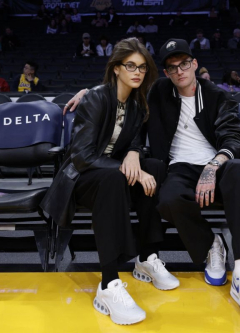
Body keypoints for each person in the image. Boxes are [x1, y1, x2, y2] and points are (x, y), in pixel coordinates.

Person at [65, 38, 240, 320]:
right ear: (165, 72)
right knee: (167, 197)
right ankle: (211, 243)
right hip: (179, 168)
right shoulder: (159, 92)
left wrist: (213, 166)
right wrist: (89, 92)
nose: (179, 71)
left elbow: (234, 138)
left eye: (184, 64)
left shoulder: (218, 96)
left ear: (195, 64)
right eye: (172, 67)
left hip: (218, 165)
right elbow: (121, 89)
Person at [41, 38, 179, 325]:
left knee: (154, 166)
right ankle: (108, 283)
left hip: (110, 175)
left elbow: (138, 141)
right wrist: (128, 168)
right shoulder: (95, 98)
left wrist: (134, 154)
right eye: (130, 66)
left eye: (142, 67)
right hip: (80, 178)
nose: (137, 72)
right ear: (116, 69)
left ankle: (147, 257)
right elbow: (80, 157)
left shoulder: (138, 105)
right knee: (118, 178)